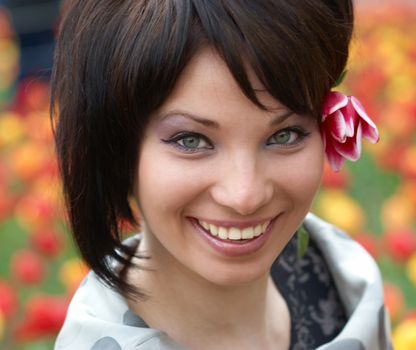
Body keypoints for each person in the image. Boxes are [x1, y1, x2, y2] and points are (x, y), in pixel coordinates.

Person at [52, 1, 391, 349]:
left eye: (284, 135)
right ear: (113, 145)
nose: (245, 196)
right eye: (191, 140)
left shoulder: (343, 286)